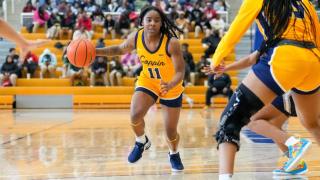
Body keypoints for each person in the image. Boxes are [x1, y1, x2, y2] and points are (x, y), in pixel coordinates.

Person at [204, 0, 320, 179]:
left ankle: (292, 144)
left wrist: (216, 58)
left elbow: (237, 27)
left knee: (231, 122)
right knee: (312, 123)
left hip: (284, 59)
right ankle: (294, 158)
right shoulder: (305, 3)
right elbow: (318, 37)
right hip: (313, 62)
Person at [96, 6, 185, 171]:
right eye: (149, 20)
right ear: (142, 21)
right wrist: (95, 52)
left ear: (161, 23)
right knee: (135, 115)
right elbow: (118, 49)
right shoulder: (136, 37)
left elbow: (180, 71)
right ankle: (141, 141)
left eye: (156, 20)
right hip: (148, 81)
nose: (152, 23)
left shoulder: (171, 43)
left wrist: (171, 83)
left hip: (171, 86)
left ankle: (174, 153)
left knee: (170, 131)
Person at [213, 51, 309, 176]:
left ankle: (295, 144)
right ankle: (296, 161)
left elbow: (251, 59)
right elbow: (251, 59)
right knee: (272, 125)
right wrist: (226, 68)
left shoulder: (280, 38)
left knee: (253, 120)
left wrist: (225, 66)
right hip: (297, 87)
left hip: (290, 87)